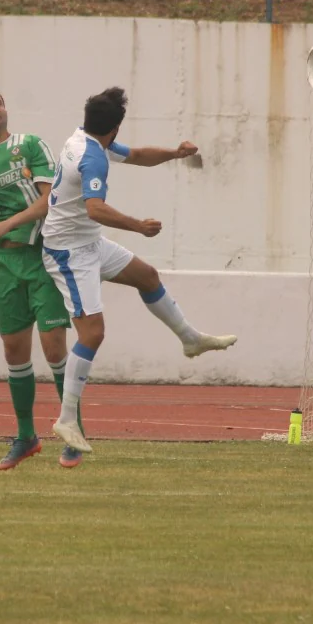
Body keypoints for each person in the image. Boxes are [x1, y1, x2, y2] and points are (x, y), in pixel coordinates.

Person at [40, 87, 236, 454]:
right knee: (93, 333)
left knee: (147, 277)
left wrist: (176, 154)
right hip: (68, 253)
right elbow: (95, 208)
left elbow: (139, 155)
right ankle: (66, 419)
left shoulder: (83, 139)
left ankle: (190, 339)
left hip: (87, 243)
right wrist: (138, 226)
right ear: (114, 127)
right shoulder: (93, 157)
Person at [0, 84, 81, 470]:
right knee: (14, 352)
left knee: (55, 348)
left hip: (43, 256)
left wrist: (8, 223)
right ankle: (26, 436)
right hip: (5, 265)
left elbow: (50, 201)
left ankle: (72, 431)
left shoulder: (29, 146)